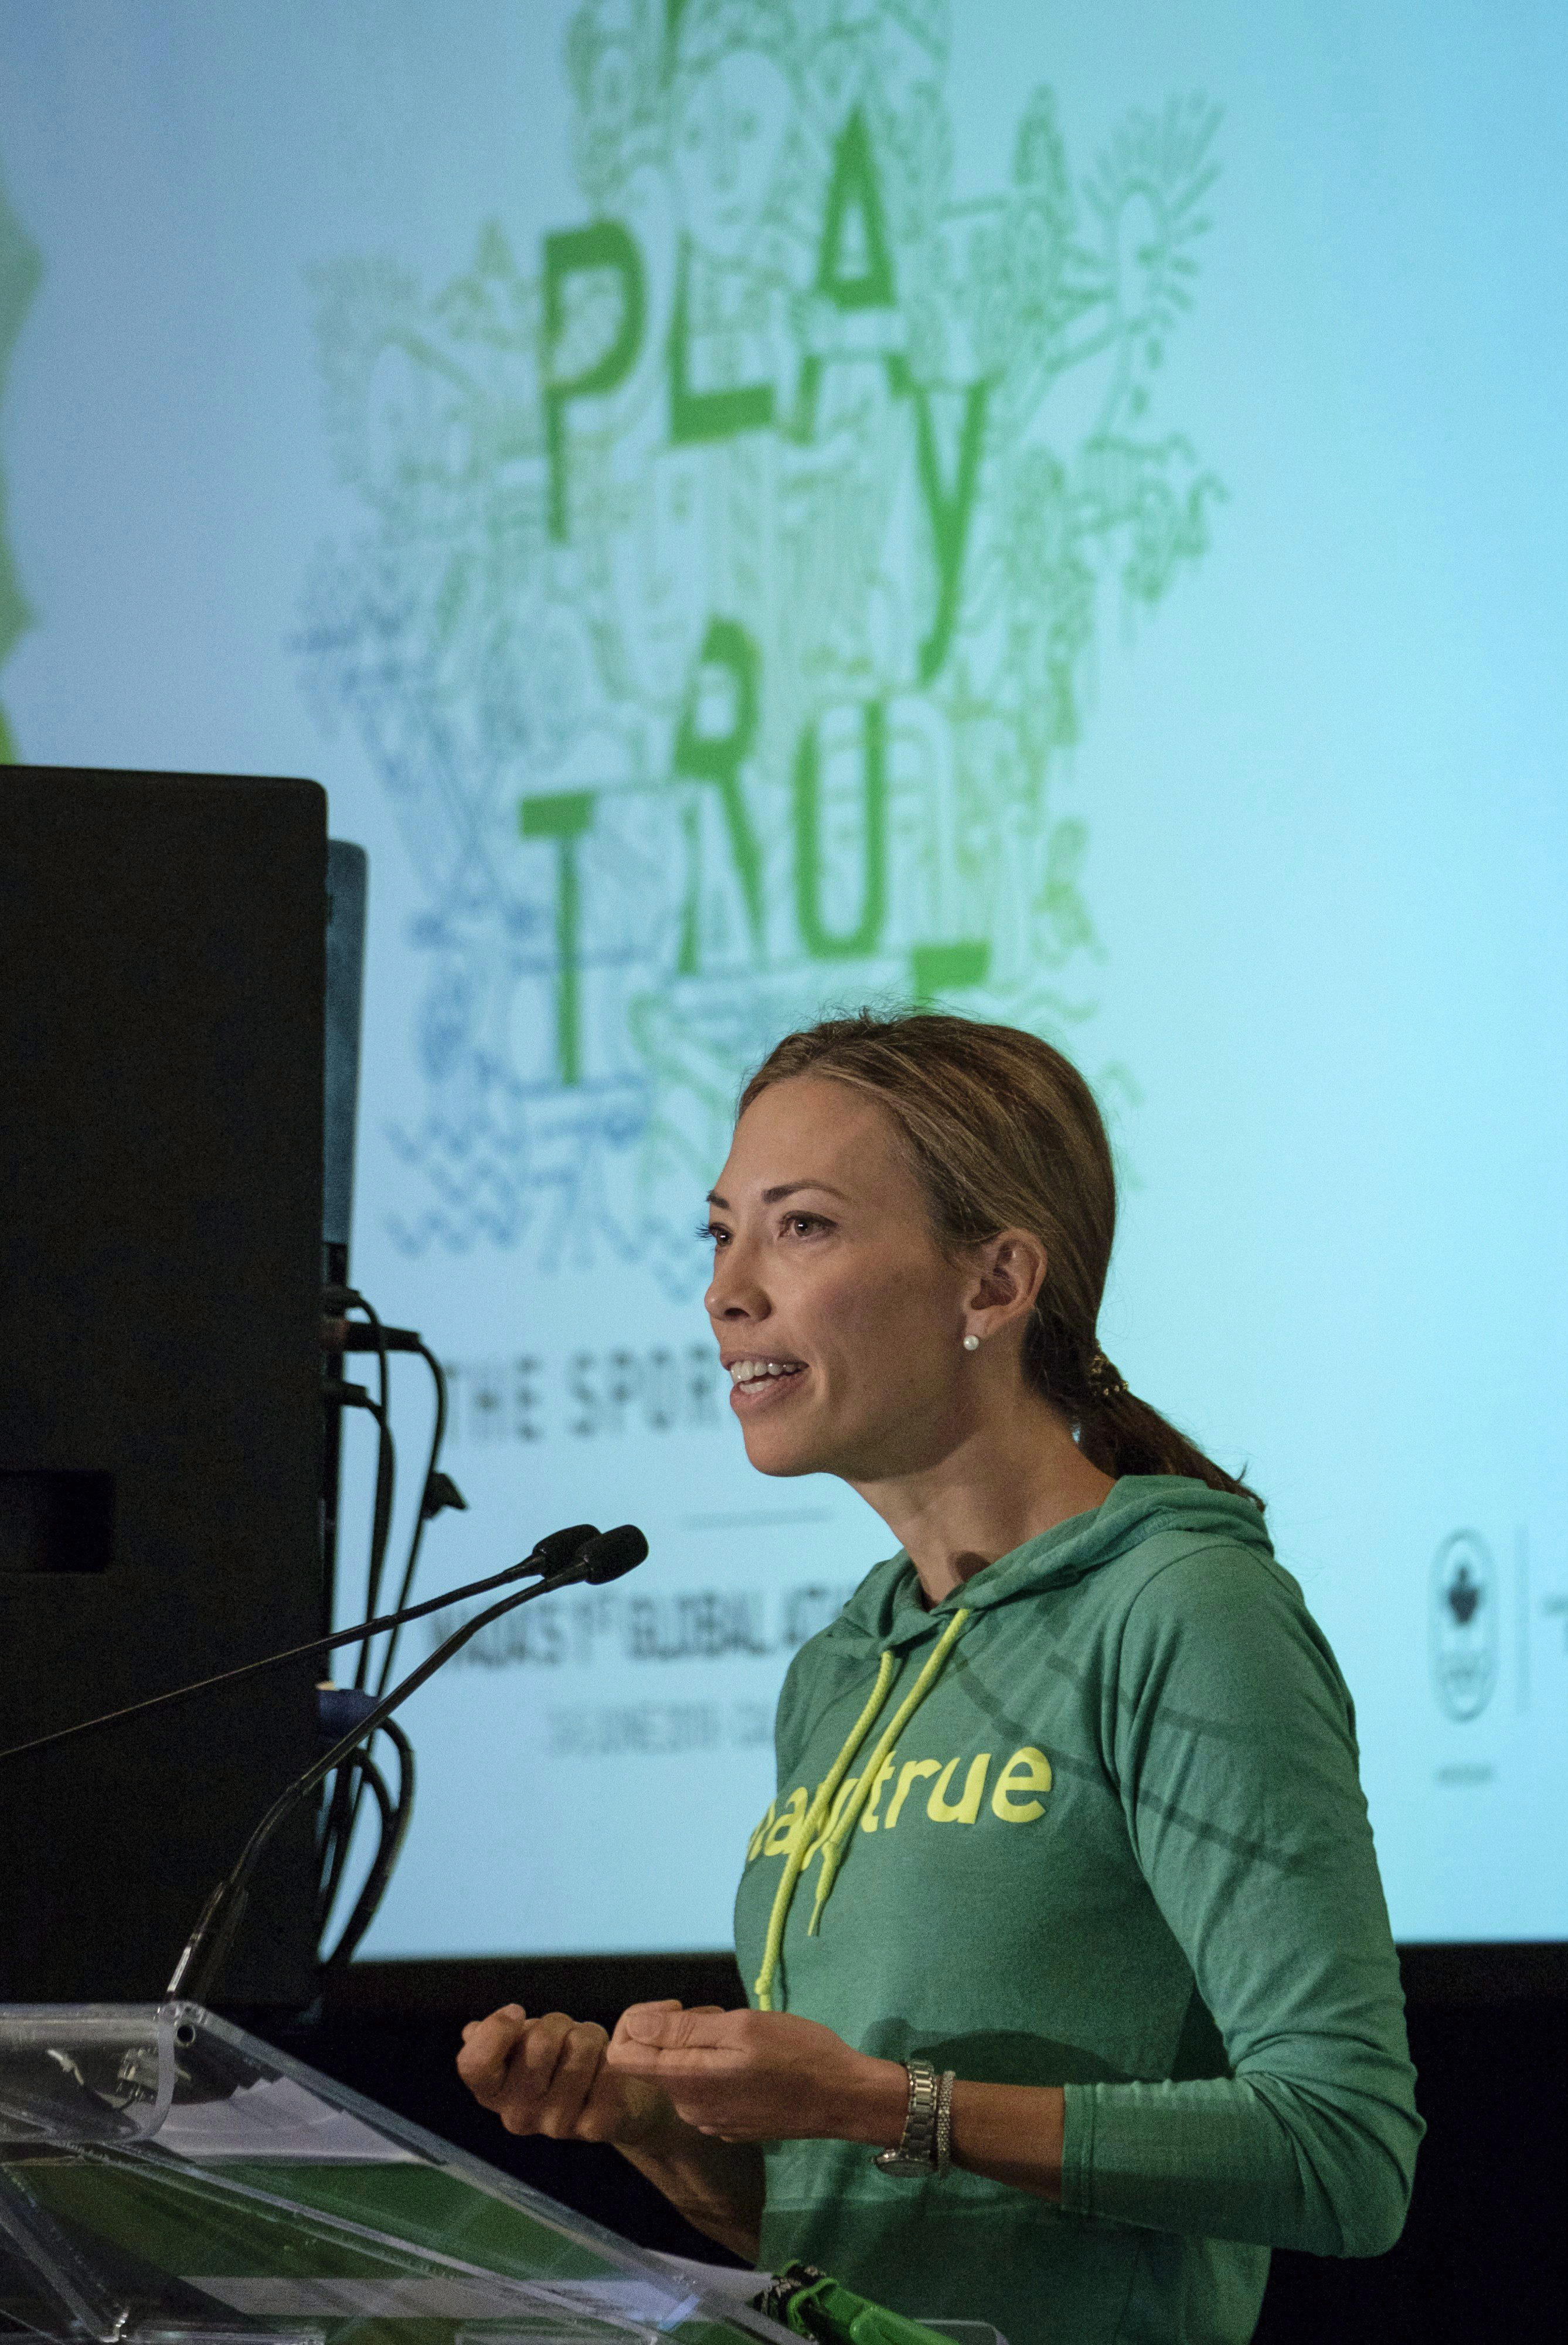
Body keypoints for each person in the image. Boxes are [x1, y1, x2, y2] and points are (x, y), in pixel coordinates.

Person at [458, 1011, 1422, 2345]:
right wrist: (654, 2126)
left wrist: (876, 2101)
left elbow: (1343, 2155)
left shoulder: (1181, 1609)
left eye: (801, 1226)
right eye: (719, 1233)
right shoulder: (841, 1670)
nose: (727, 1290)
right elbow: (854, 2235)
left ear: (994, 1283)